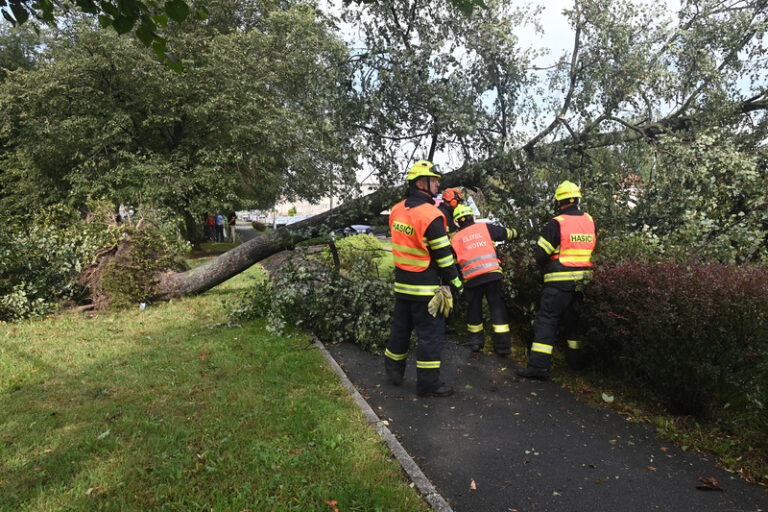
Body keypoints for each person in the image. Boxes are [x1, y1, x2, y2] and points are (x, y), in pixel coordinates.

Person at [384, 160, 464, 397]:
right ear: (421, 183)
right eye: (434, 180)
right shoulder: (432, 215)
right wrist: (457, 284)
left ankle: (393, 372)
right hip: (425, 289)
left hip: (402, 286)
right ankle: (428, 385)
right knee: (430, 338)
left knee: (400, 331)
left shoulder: (397, 210)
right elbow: (444, 256)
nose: (438, 184)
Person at [516, 180, 596, 380]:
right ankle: (575, 362)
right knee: (573, 322)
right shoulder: (589, 220)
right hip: (584, 281)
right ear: (577, 199)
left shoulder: (557, 223)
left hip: (560, 281)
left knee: (546, 320)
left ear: (559, 202)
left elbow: (541, 254)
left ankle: (538, 367)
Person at [450, 204, 518, 355]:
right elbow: (506, 233)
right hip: (492, 274)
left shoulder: (455, 239)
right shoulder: (484, 227)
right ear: (472, 216)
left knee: (474, 309)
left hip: (472, 279)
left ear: (457, 222)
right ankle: (503, 346)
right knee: (497, 308)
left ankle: (475, 343)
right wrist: (517, 232)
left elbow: (451, 260)